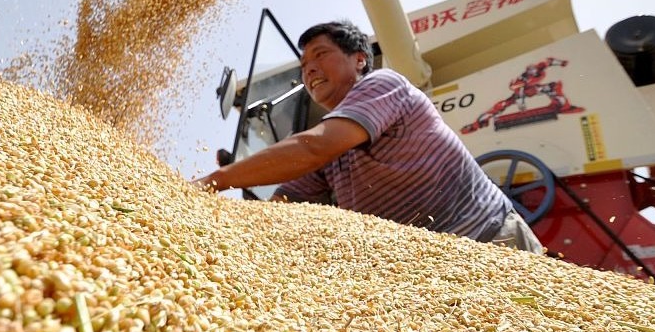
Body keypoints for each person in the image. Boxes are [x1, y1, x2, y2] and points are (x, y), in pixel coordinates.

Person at [195, 20, 543, 253]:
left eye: (320, 54)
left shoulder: (384, 85)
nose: (309, 68)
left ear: (360, 60)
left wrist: (216, 180)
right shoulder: (328, 150)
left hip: (491, 239)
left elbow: (316, 147)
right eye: (303, 66)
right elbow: (282, 205)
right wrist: (224, 225)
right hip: (435, 273)